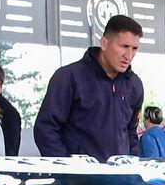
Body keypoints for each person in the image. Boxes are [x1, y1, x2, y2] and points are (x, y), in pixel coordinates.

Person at [34, 15, 144, 161]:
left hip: (121, 179)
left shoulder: (134, 85)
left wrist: (131, 169)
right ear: (104, 43)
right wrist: (67, 172)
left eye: (134, 48)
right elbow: (46, 129)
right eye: (124, 46)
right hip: (78, 179)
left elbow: (131, 132)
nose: (129, 55)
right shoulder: (69, 77)